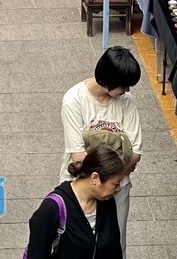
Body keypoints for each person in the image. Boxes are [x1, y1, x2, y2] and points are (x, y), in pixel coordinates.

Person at [60, 47, 142, 255]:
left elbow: (135, 152)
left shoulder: (127, 102)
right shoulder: (74, 100)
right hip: (82, 189)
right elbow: (78, 155)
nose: (127, 90)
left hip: (117, 189)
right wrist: (114, 172)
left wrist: (114, 180)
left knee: (115, 246)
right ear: (108, 81)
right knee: (77, 247)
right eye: (123, 85)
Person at [25, 146, 125, 259]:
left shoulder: (107, 202)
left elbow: (115, 251)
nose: (118, 189)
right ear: (95, 178)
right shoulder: (52, 207)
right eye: (115, 184)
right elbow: (37, 253)